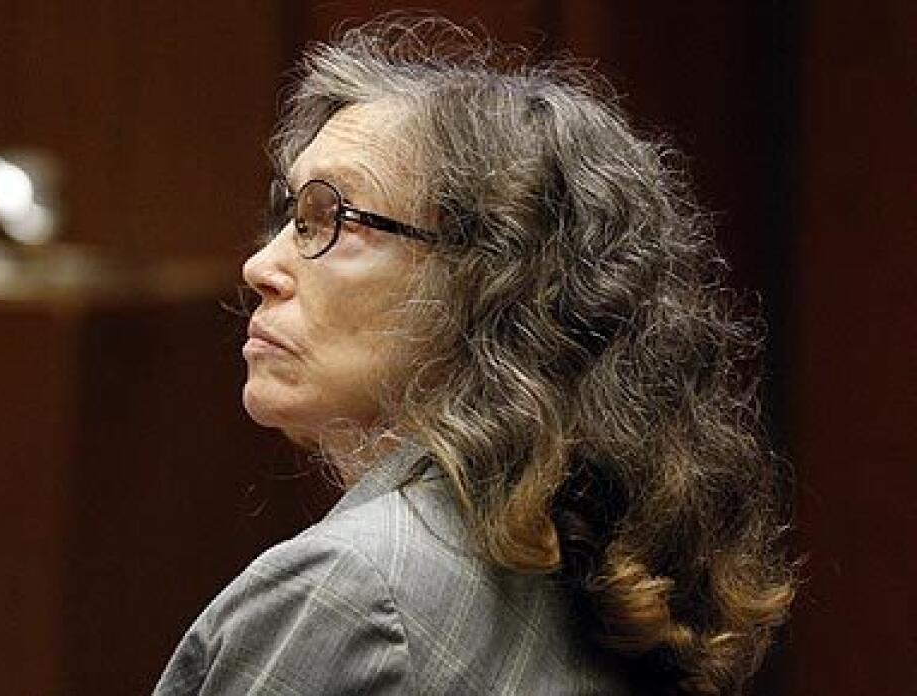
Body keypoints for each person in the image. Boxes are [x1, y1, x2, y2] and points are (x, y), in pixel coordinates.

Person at [154, 16, 794, 696]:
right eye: (289, 214)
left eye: (331, 218)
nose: (261, 265)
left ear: (491, 281)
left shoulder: (352, 593)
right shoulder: (583, 569)